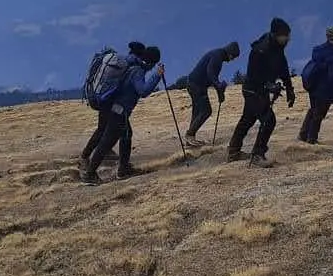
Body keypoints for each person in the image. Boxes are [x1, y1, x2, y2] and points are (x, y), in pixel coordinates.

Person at [79, 42, 164, 185]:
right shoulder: (137, 71)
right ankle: (90, 174)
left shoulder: (131, 68)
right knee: (107, 142)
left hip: (116, 110)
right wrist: (157, 75)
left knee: (126, 134)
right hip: (120, 112)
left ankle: (123, 169)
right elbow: (143, 91)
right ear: (151, 61)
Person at [226, 17, 296, 167]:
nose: (289, 39)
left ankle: (233, 151)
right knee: (269, 120)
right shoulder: (260, 50)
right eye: (286, 35)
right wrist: (268, 85)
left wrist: (290, 89)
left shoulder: (277, 48)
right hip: (253, 90)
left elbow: (283, 68)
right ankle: (257, 154)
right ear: (276, 34)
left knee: (247, 120)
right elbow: (254, 75)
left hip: (259, 90)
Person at [183, 41, 241, 147]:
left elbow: (213, 77)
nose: (232, 59)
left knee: (197, 112)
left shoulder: (217, 55)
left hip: (194, 83)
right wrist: (218, 85)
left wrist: (220, 93)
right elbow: (210, 73)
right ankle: (190, 135)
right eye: (233, 56)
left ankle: (190, 140)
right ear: (230, 52)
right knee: (206, 111)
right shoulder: (217, 56)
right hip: (197, 85)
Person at [298, 25, 333, 144]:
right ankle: (312, 138)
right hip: (326, 87)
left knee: (314, 109)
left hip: (313, 85)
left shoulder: (318, 49)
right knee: (319, 113)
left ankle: (304, 134)